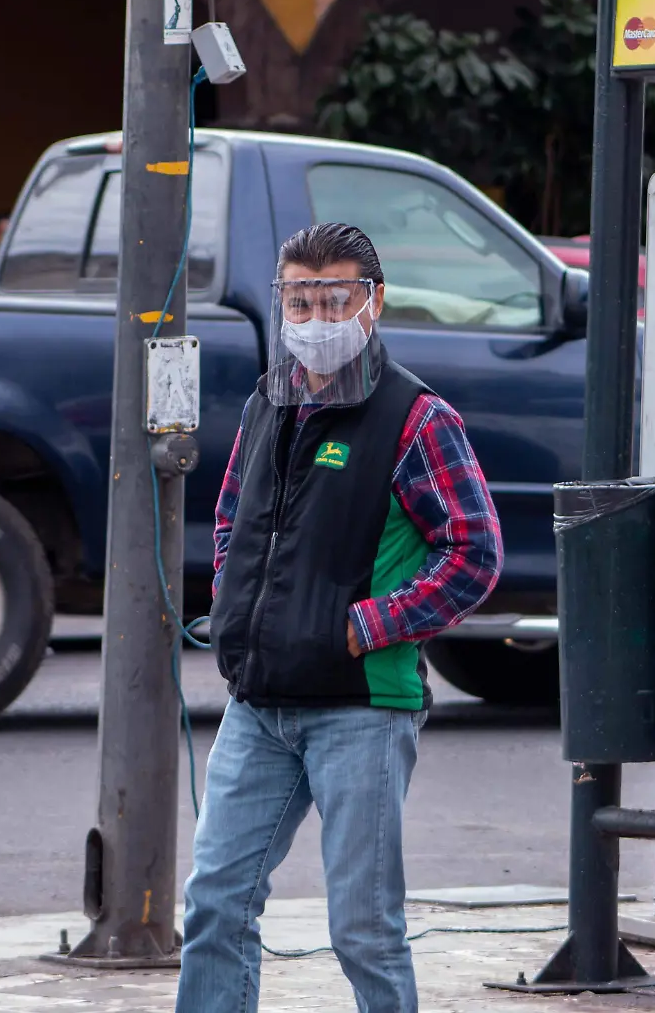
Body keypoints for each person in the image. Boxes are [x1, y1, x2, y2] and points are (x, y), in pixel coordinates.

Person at [177, 223, 503, 1013]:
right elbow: (231, 520)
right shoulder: (270, 402)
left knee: (363, 927)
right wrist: (233, 603)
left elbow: (474, 555)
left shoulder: (419, 420)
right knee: (215, 906)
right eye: (301, 299)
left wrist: (367, 627)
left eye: (335, 299)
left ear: (373, 302)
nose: (316, 317)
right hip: (259, 702)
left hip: (362, 708)